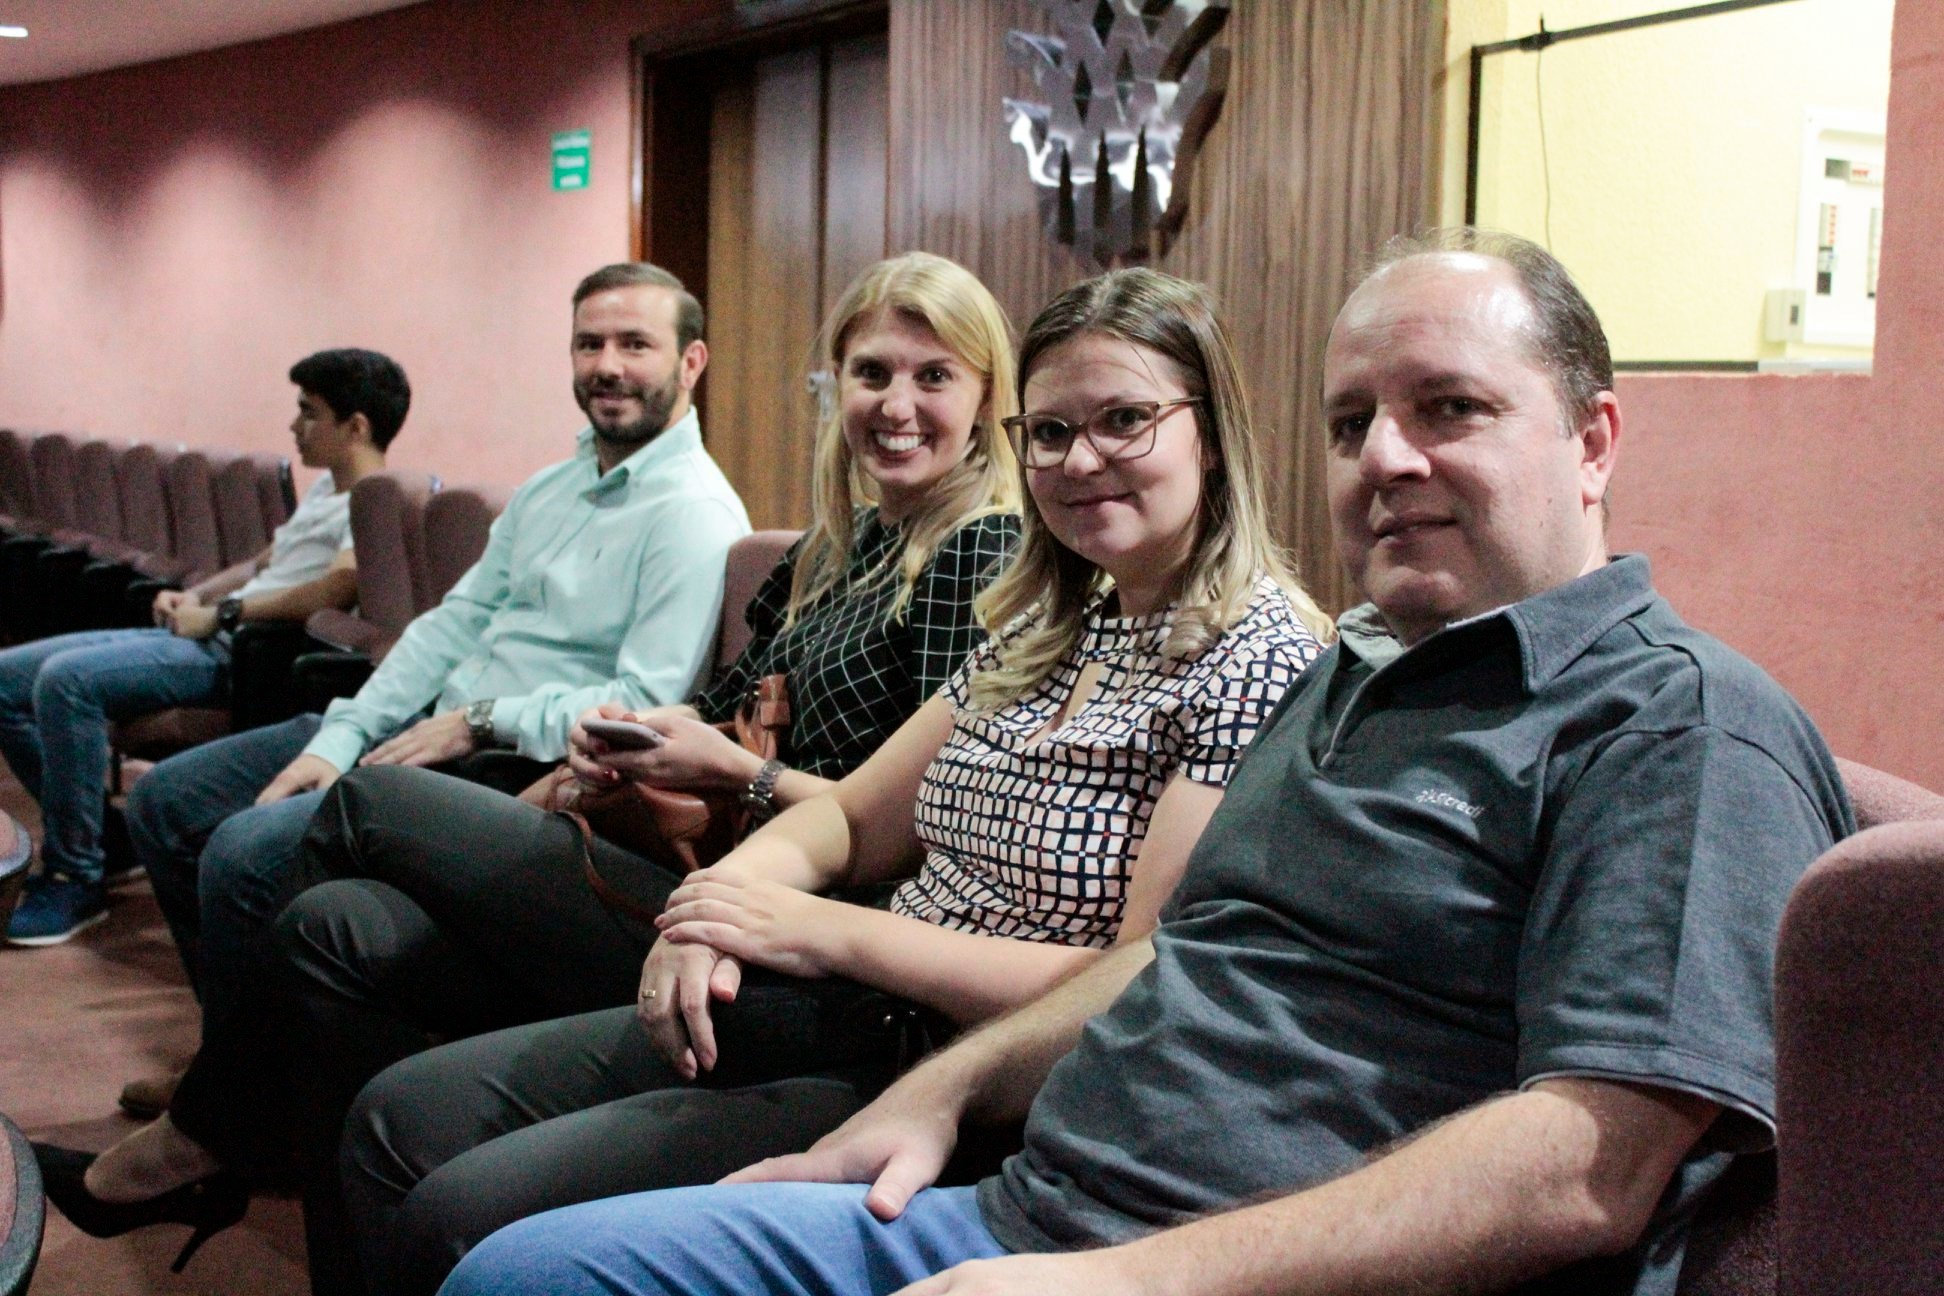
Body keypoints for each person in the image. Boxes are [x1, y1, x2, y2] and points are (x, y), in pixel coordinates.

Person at [440, 231, 1855, 1296]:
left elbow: (1593, 1164)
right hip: (1022, 1208)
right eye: (1352, 422)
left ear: (1594, 440)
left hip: (1186, 1266)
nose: (1385, 458)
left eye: (1450, 409)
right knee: (517, 1268)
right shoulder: (1356, 670)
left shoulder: (1675, 722)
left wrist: (1125, 1279)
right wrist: (941, 1096)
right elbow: (1169, 955)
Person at [291, 265, 1329, 1296]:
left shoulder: (1260, 653)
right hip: (841, 1000)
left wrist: (815, 928)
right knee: (395, 1117)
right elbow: (851, 818)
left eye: (1125, 421)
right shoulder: (1054, 621)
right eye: (1051, 432)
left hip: (968, 1075)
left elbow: (1134, 977)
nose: (1080, 458)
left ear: (1210, 433)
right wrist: (719, 904)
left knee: (457, 1212)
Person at [29, 262, 751, 1269]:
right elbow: (449, 623)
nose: (607, 365)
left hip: (514, 761)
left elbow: (638, 704)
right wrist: (339, 737)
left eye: (635, 344)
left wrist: (476, 719)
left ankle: (229, 1129)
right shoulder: (557, 486)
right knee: (173, 809)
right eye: (590, 343)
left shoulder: (692, 512)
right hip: (421, 725)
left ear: (692, 361)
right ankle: (241, 1083)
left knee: (245, 853)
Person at [0, 348, 408, 945]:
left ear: (356, 427)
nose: (294, 426)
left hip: (241, 650)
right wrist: (194, 594)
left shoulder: (373, 499)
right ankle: (106, 840)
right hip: (211, 628)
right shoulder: (328, 487)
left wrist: (223, 612)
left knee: (68, 681)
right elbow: (263, 564)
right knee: (6, 679)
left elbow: (339, 585)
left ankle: (74, 875)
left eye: (309, 412)